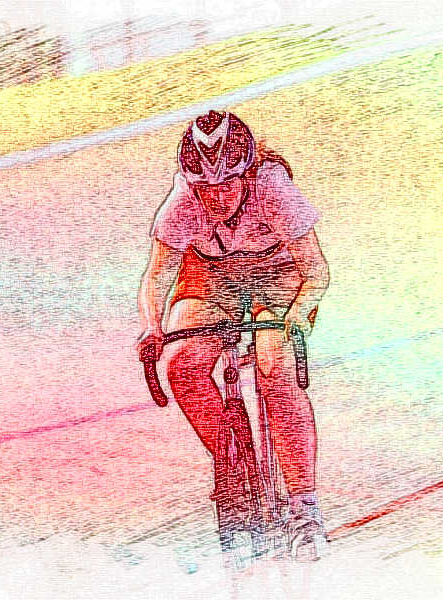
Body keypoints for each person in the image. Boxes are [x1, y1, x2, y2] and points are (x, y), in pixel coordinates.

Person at [136, 110, 331, 553]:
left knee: (275, 366)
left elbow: (317, 271)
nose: (217, 198)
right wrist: (151, 326)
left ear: (246, 173)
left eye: (226, 185)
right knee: (182, 365)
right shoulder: (182, 203)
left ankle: (304, 505)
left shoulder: (274, 188)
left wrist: (298, 312)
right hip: (210, 275)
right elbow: (157, 276)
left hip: (278, 272)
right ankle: (233, 470)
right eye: (205, 189)